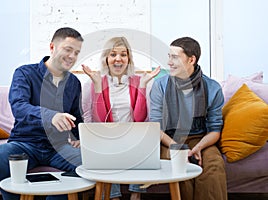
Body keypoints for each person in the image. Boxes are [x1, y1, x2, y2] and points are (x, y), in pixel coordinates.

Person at [0, 27, 84, 200]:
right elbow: (19, 106)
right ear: (52, 47)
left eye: (76, 52)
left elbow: (76, 115)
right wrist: (51, 116)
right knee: (1, 155)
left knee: (87, 161)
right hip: (25, 143)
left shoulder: (73, 83)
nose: (72, 56)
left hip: (59, 146)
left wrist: (79, 137)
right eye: (68, 49)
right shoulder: (24, 73)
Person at [82, 36, 160, 200]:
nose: (118, 59)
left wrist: (143, 86)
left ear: (129, 58)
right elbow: (99, 121)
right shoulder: (93, 82)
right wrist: (97, 87)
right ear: (106, 59)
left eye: (123, 54)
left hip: (134, 136)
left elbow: (140, 119)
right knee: (107, 147)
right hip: (106, 137)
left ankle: (135, 195)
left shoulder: (140, 81)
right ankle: (113, 196)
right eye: (113, 54)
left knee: (142, 141)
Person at [149, 37, 227, 200]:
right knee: (179, 166)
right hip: (169, 140)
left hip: (201, 138)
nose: (169, 62)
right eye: (169, 56)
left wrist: (198, 147)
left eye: (175, 57)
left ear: (191, 59)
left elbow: (214, 129)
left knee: (213, 165)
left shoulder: (212, 88)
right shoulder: (160, 85)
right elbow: (156, 127)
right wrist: (178, 148)